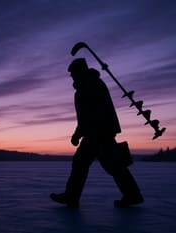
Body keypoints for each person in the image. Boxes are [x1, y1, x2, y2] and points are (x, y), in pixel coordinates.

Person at [50, 58, 144, 208]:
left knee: (89, 163)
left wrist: (77, 134)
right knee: (109, 164)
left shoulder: (88, 86)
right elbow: (86, 115)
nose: (72, 77)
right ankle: (132, 195)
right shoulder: (90, 84)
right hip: (100, 131)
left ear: (79, 71)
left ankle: (72, 197)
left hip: (98, 132)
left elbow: (88, 115)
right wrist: (80, 133)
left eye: (73, 73)